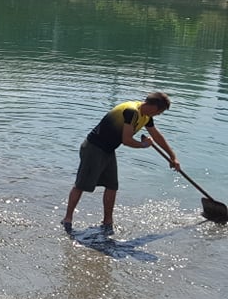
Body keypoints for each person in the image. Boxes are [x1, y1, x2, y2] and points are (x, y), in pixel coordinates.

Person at [62, 91, 178, 234]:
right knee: (82, 184)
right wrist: (143, 145)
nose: (159, 115)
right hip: (94, 148)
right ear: (154, 107)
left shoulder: (146, 116)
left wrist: (173, 157)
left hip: (109, 150)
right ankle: (67, 218)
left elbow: (156, 136)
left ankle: (107, 222)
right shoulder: (131, 111)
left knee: (112, 186)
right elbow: (126, 140)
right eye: (160, 112)